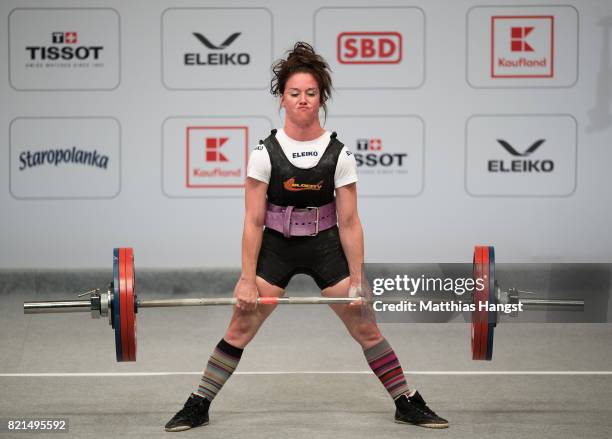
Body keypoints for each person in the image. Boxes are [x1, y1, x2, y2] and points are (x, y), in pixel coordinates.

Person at [164, 42, 448, 432]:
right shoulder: (263, 153)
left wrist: (358, 279)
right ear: (282, 97)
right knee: (240, 325)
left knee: (365, 323)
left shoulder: (340, 154)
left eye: (310, 93)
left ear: (321, 98)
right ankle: (198, 403)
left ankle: (406, 401)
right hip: (277, 248)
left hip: (325, 246)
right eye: (295, 93)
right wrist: (247, 279)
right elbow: (252, 222)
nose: (302, 101)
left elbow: (349, 222)